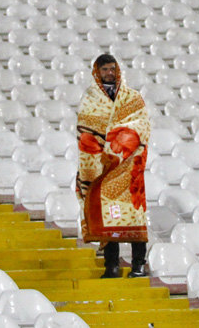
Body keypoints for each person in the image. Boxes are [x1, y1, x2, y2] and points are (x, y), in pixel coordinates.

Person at [76, 53, 150, 278]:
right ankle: (112, 265)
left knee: (134, 214)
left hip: (128, 166)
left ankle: (138, 264)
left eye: (112, 68)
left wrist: (118, 144)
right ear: (96, 73)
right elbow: (86, 132)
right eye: (104, 69)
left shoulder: (132, 97)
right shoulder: (89, 99)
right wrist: (105, 150)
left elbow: (142, 125)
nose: (109, 73)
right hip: (102, 168)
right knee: (107, 214)